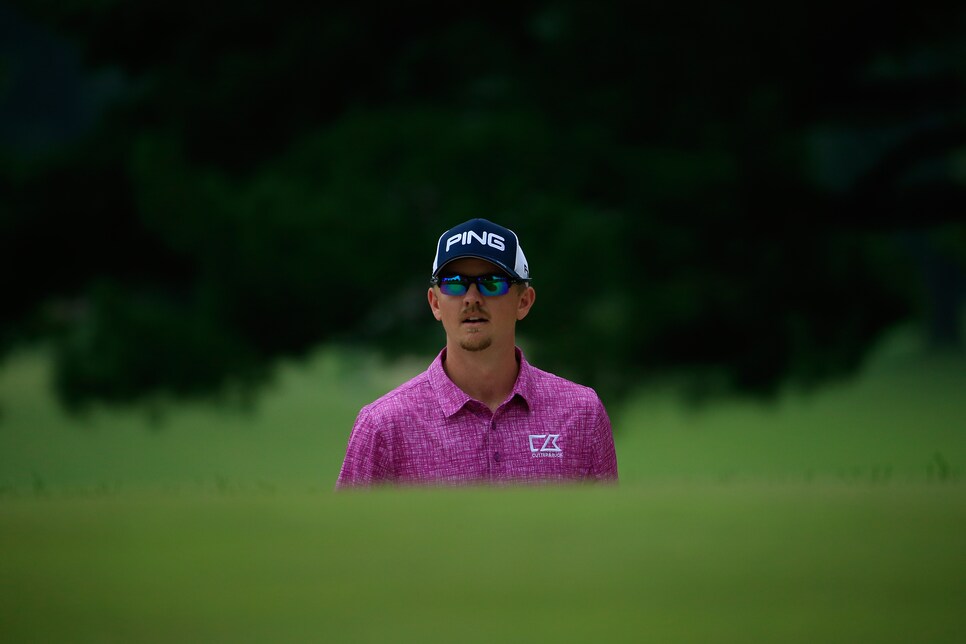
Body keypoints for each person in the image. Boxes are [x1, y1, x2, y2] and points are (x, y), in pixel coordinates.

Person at [336, 218, 618, 487]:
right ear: (435, 302)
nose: (471, 298)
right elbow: (346, 535)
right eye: (454, 283)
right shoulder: (383, 425)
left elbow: (607, 532)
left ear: (524, 301)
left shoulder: (582, 413)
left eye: (492, 283)